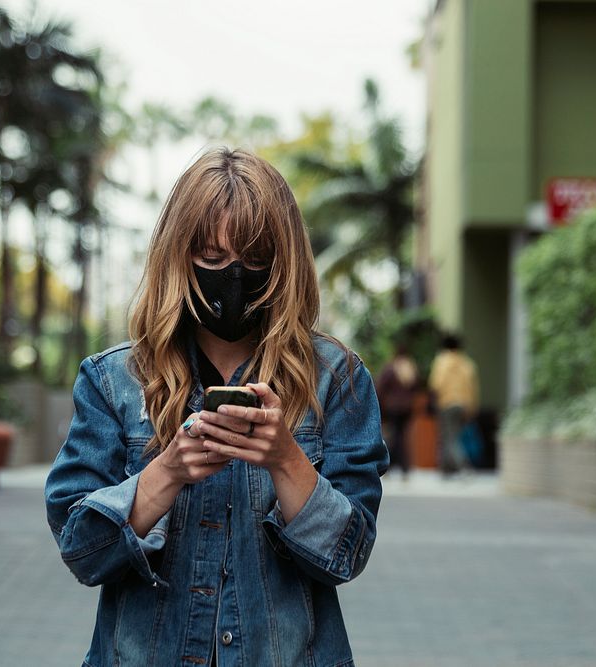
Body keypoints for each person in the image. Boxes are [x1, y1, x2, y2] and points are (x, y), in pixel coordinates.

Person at [45, 147, 389, 667]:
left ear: (284, 264)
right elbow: (82, 552)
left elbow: (346, 556)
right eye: (211, 258)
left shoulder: (336, 379)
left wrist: (285, 460)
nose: (233, 277)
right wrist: (168, 471)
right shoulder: (114, 380)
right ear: (178, 257)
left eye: (255, 260)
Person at [428, 333, 479, 477]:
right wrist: (472, 407)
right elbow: (473, 387)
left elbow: (436, 384)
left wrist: (433, 401)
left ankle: (463, 466)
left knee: (449, 437)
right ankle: (446, 469)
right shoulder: (467, 363)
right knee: (452, 435)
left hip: (447, 402)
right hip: (464, 403)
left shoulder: (442, 361)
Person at [375, 342, 418, 481]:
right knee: (402, 436)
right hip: (407, 408)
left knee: (394, 437)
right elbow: (416, 387)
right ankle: (403, 468)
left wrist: (380, 406)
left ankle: (390, 467)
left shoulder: (391, 367)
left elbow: (380, 388)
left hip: (393, 407)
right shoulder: (411, 367)